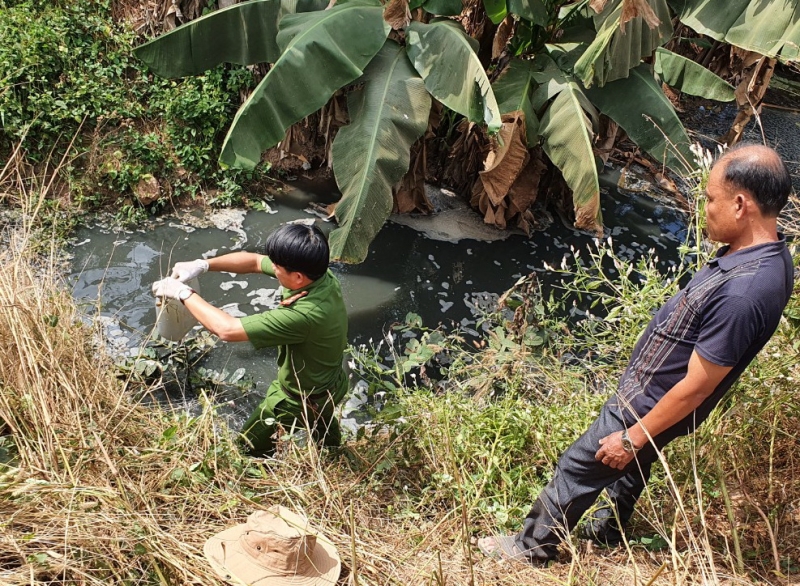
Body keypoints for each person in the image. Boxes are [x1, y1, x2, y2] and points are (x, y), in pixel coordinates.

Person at [478, 143, 795, 564]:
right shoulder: (764, 256)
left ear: (740, 205)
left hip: (651, 401)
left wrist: (634, 434)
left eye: (710, 200)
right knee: (631, 468)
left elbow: (698, 386)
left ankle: (531, 549)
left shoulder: (746, 290)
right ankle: (609, 529)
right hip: (655, 395)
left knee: (580, 464)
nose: (705, 209)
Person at [152, 223, 349, 456]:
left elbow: (227, 329)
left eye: (277, 268)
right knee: (328, 441)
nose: (273, 269)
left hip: (297, 399)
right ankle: (337, 456)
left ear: (297, 277)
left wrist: (183, 293)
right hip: (330, 385)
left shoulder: (304, 315)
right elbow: (255, 261)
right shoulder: (321, 276)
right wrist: (203, 265)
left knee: (246, 448)